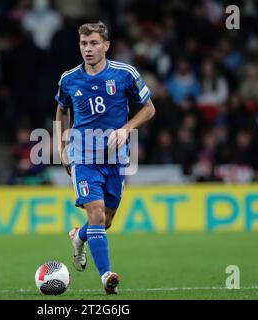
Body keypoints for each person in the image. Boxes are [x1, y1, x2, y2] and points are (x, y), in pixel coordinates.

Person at [55, 22, 155, 294]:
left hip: (115, 159)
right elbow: (61, 111)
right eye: (84, 44)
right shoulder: (69, 78)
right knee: (97, 214)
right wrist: (62, 146)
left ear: (106, 45)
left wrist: (126, 129)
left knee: (106, 220)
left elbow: (149, 109)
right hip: (83, 157)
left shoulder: (125, 74)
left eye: (94, 43)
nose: (88, 49)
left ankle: (79, 235)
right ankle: (106, 276)